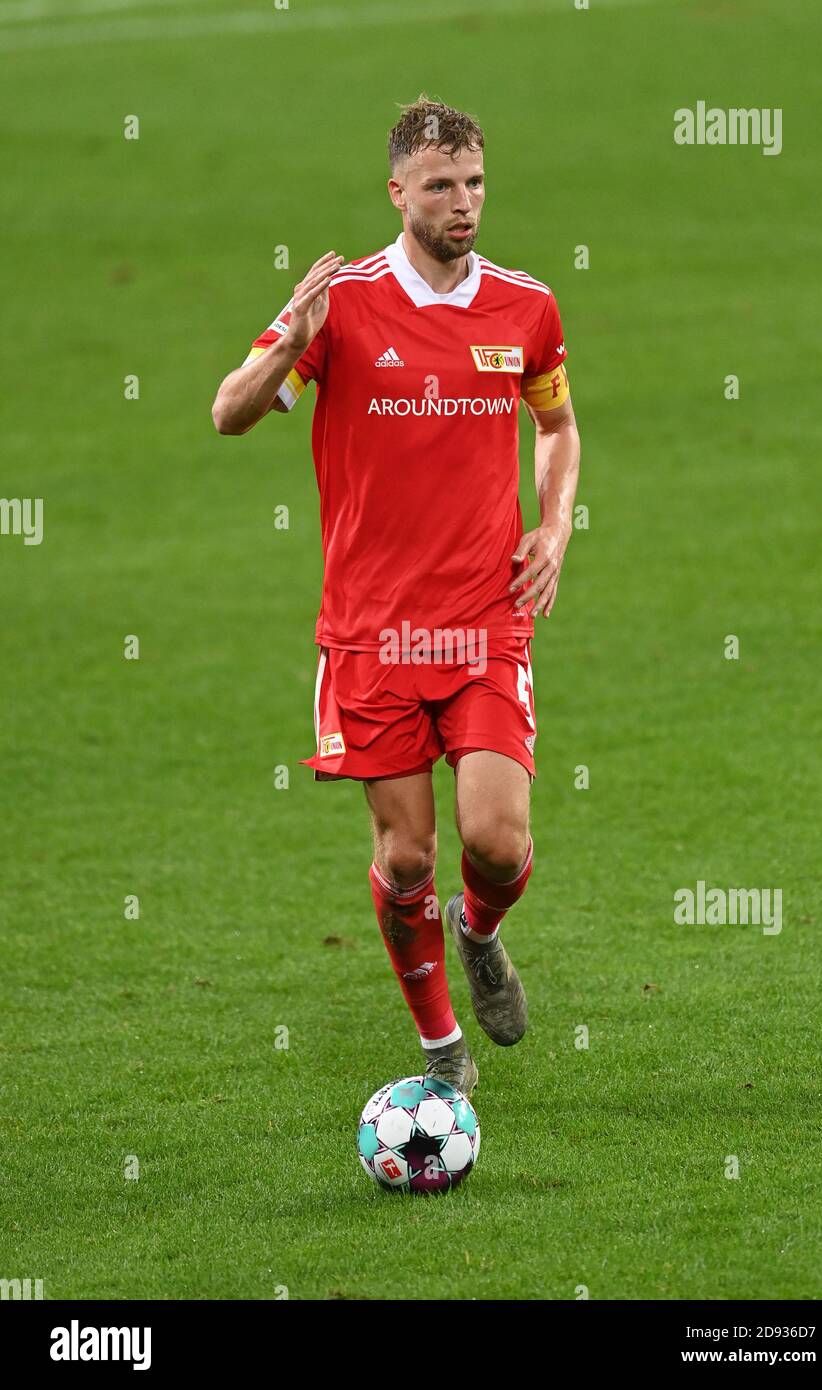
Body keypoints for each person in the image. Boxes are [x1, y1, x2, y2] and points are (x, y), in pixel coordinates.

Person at [212, 95, 580, 1099]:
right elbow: (229, 415)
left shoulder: (524, 308)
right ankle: (437, 1046)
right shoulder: (344, 305)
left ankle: (481, 928)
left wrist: (550, 526)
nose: (462, 205)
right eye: (439, 187)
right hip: (371, 631)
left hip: (481, 616)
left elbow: (555, 426)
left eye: (473, 184)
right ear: (396, 192)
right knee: (405, 856)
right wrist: (290, 339)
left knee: (495, 843)